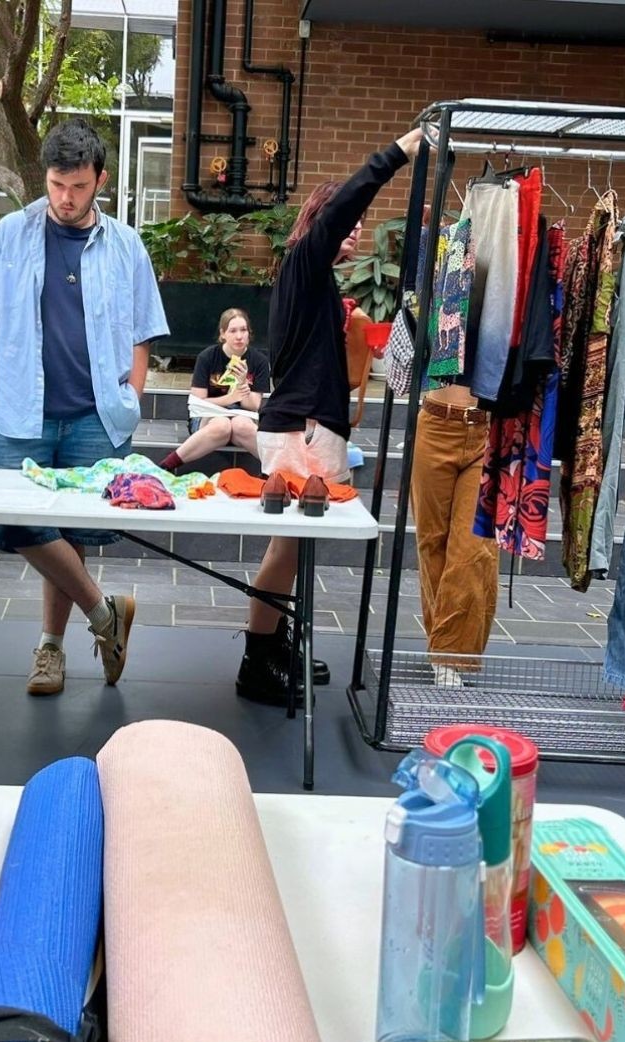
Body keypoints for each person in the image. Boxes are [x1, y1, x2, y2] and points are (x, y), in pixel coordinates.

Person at [0, 119, 168, 697]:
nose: (65, 198)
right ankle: (105, 615)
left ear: (99, 178)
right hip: (21, 412)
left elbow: (144, 331)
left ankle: (50, 648)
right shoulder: (10, 234)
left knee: (67, 534)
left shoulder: (126, 245)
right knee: (20, 520)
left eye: (76, 186)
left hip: (96, 413)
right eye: (55, 185)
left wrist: (132, 397)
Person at [238, 126, 427, 705]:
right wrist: (397, 153)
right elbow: (344, 206)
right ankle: (257, 659)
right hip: (302, 430)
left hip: (307, 426)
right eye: (345, 223)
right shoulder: (303, 261)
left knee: (294, 549)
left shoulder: (312, 279)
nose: (355, 231)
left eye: (358, 229)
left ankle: (272, 647)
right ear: (320, 222)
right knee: (288, 548)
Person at [159, 308, 270, 472]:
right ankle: (166, 466)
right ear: (223, 334)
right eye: (233, 331)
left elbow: (254, 405)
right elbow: (198, 402)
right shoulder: (208, 357)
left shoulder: (259, 361)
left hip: (243, 416)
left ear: (249, 333)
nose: (239, 336)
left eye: (243, 330)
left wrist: (241, 383)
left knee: (241, 425)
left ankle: (278, 470)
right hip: (208, 416)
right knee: (222, 425)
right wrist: (231, 398)